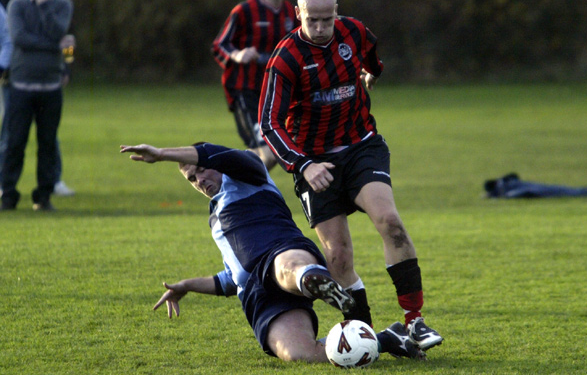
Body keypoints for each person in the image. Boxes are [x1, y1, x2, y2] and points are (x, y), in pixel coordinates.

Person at [259, 0, 443, 351]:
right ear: (297, 14)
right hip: (314, 161)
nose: (320, 28)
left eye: (327, 19)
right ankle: (367, 336)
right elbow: (270, 123)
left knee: (389, 221)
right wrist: (303, 165)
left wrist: (373, 71)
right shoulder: (285, 59)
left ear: (337, 12)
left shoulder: (354, 32)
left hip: (361, 146)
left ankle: (415, 322)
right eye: (312, 20)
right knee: (338, 257)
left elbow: (371, 55)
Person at [120, 141, 425, 362]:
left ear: (217, 163)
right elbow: (232, 279)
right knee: (300, 354)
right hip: (260, 295)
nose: (200, 180)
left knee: (286, 268)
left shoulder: (248, 173)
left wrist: (162, 154)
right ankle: (388, 339)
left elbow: (211, 152)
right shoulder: (215, 220)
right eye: (192, 179)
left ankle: (313, 281)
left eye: (202, 170)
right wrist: (187, 285)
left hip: (284, 253)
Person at [211, 0, 299, 171]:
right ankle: (233, 183)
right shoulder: (244, 11)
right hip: (246, 90)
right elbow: (219, 45)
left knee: (259, 155)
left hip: (275, 92)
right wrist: (237, 54)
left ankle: (230, 181)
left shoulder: (291, 13)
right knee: (269, 152)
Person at [0, 0, 72, 211]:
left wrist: (44, 7)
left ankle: (43, 196)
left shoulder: (62, 4)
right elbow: (19, 38)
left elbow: (59, 30)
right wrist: (54, 46)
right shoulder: (17, 4)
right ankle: (7, 194)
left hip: (51, 87)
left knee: (48, 144)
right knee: (14, 142)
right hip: (21, 86)